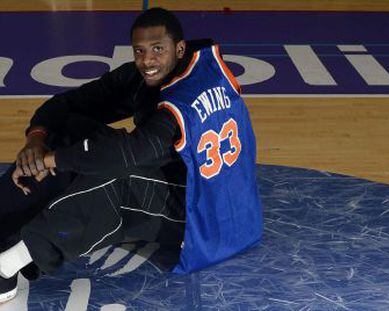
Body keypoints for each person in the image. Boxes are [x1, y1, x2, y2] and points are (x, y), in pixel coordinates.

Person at [0, 7, 262, 303]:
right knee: (70, 132)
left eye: (157, 49)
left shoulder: (185, 98)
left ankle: (6, 268)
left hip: (203, 212)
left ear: (179, 48)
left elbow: (132, 152)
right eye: (140, 51)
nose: (147, 60)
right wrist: (37, 139)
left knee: (113, 181)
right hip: (182, 175)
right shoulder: (152, 75)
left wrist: (50, 161)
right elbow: (70, 103)